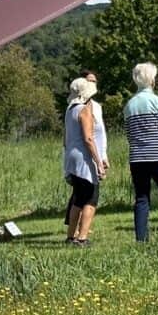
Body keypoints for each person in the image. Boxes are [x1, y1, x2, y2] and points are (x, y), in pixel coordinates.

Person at [124, 63, 158, 242]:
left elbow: (129, 134)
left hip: (137, 158)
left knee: (141, 198)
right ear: (151, 80)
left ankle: (141, 239)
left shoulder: (129, 105)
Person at [63, 77, 108, 246]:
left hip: (72, 158)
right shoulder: (84, 110)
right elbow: (89, 138)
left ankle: (70, 236)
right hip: (84, 159)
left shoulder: (70, 110)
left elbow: (65, 139)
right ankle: (82, 237)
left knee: (78, 198)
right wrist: (98, 162)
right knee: (91, 198)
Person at [80, 69, 109, 171]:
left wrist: (103, 156)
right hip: (83, 157)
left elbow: (101, 133)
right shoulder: (77, 106)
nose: (93, 84)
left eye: (94, 82)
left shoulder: (97, 106)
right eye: (90, 81)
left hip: (98, 155)